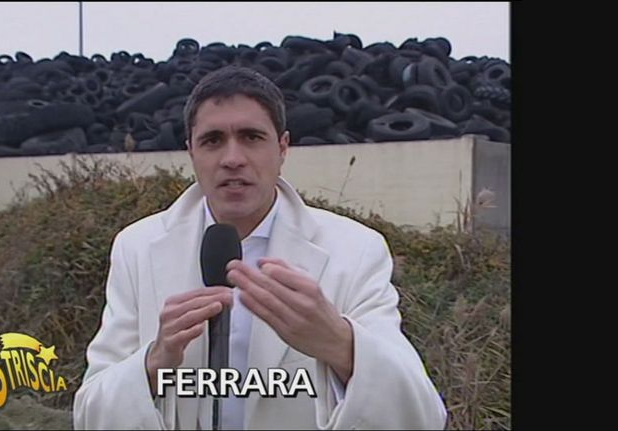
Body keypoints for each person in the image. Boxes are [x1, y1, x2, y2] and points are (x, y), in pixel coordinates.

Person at [73, 65, 447, 430]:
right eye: (212, 140)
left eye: (251, 137)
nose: (232, 159)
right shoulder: (137, 248)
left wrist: (340, 344)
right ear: (191, 151)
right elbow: (90, 414)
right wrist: (154, 364)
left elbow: (422, 416)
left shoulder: (356, 250)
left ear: (282, 148)